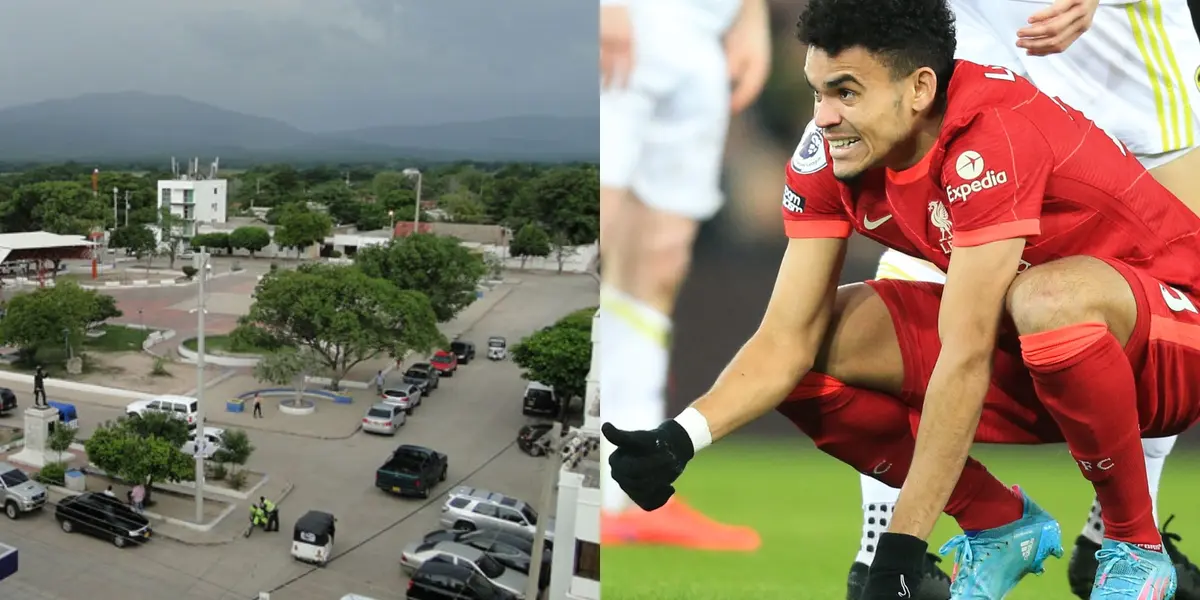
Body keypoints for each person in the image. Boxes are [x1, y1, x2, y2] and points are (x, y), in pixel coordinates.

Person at [603, 0, 1200, 597]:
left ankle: (1132, 545)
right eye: (818, 93)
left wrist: (902, 549)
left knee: (1045, 299)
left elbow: (964, 355)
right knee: (817, 345)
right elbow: (785, 337)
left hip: (1172, 351)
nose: (825, 118)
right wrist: (679, 439)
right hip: (1037, 351)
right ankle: (998, 522)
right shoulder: (834, 149)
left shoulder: (991, 136)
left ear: (918, 89)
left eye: (846, 93)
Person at [854, 0, 1200, 595]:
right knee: (924, 254)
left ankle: (1115, 537)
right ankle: (882, 549)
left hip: (1117, 39)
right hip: (969, 26)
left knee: (1168, 282)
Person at [598, 0, 773, 551]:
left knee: (661, 263)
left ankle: (625, 489)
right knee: (591, 239)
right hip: (629, 21)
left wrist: (751, 15)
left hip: (702, 37)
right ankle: (581, 483)